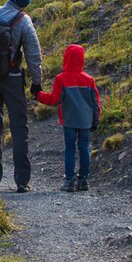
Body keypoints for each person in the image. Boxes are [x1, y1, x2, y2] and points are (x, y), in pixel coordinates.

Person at [0, 0, 43, 193]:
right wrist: (37, 82)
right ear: (24, 4)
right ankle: (22, 182)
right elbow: (33, 55)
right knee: (18, 128)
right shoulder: (23, 21)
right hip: (13, 78)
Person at [34, 44, 101, 191]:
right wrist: (95, 120)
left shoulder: (61, 79)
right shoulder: (89, 80)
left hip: (69, 120)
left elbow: (54, 100)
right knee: (84, 148)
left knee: (69, 149)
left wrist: (38, 95)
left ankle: (69, 180)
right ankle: (83, 180)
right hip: (85, 120)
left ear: (66, 58)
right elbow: (95, 103)